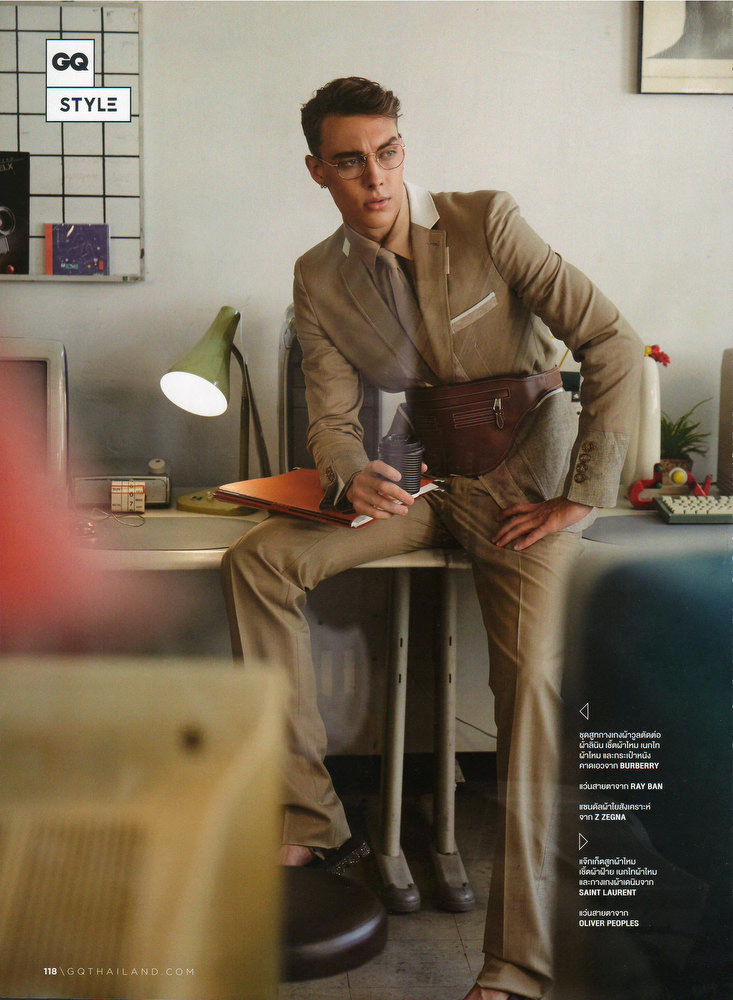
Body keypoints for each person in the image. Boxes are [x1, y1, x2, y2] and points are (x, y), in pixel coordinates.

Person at [221, 77, 643, 1000]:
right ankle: (311, 819)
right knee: (259, 561)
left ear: (401, 151)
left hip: (525, 487)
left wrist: (581, 496)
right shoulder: (316, 275)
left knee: (528, 688)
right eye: (348, 162)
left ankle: (517, 966)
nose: (374, 178)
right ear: (316, 171)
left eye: (386, 153)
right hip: (421, 480)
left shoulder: (486, 221)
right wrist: (349, 472)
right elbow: (333, 418)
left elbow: (611, 342)